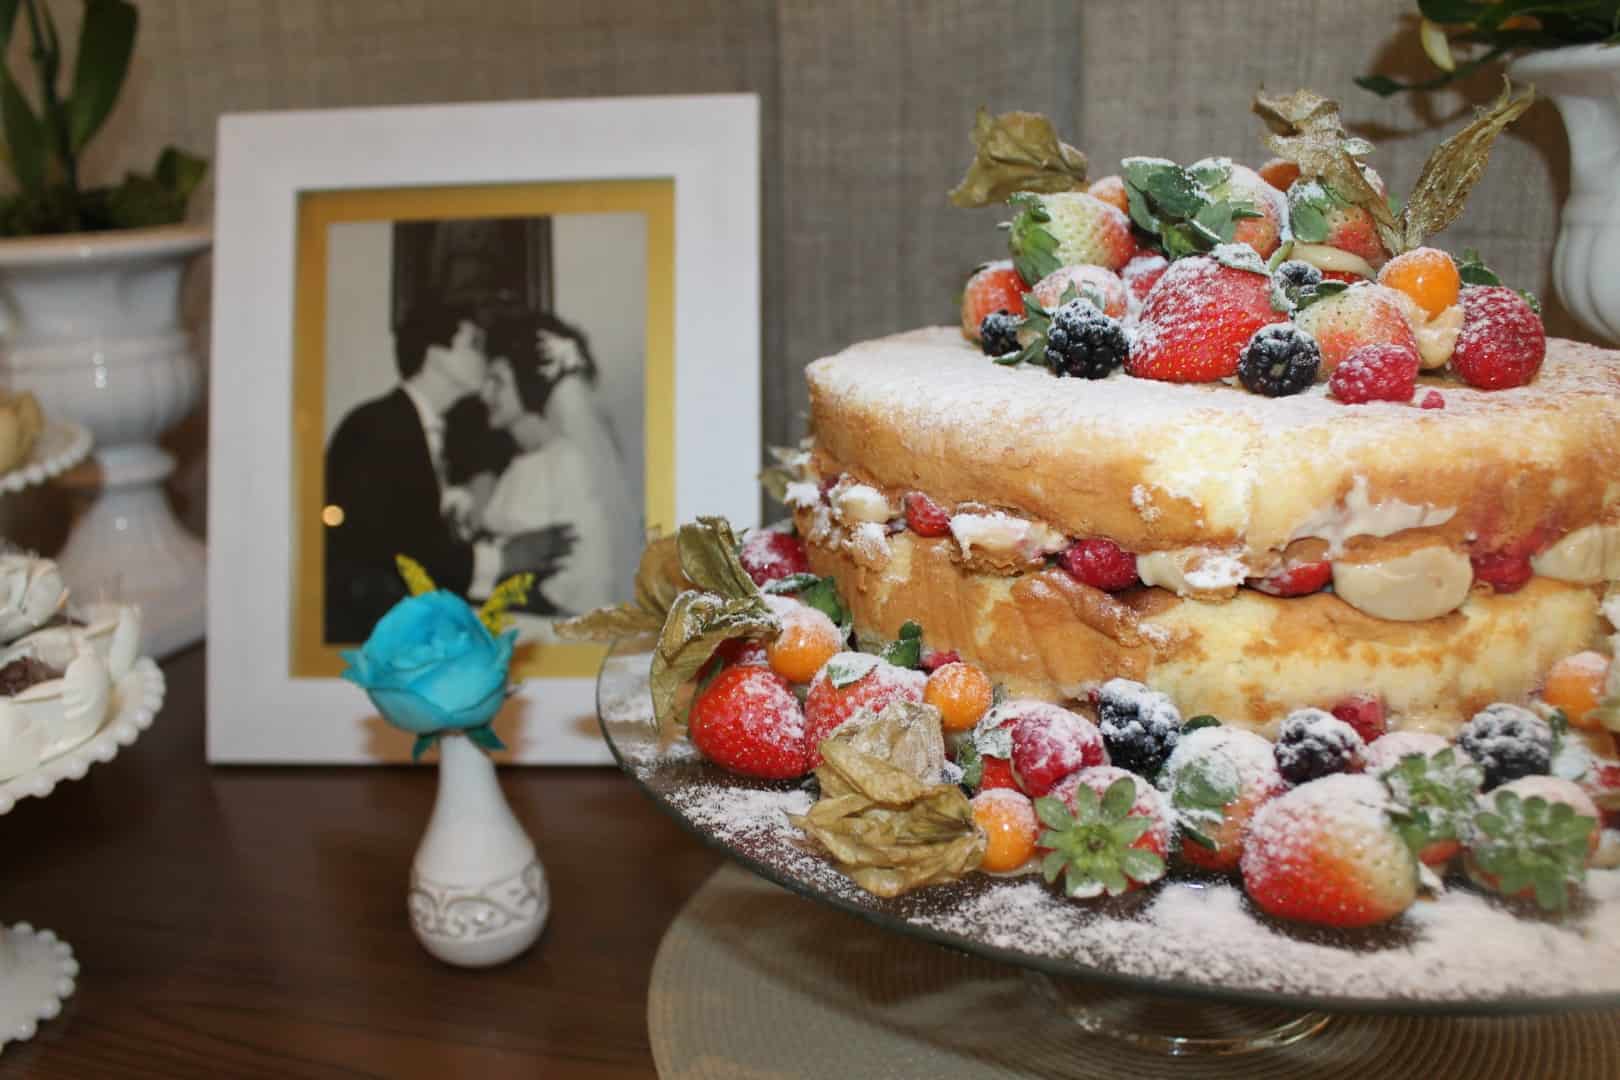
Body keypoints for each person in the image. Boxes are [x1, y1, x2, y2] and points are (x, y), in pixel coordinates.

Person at [322, 301, 574, 642]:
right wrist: (503, 559)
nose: (484, 358)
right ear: (436, 355)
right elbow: (397, 554)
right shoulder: (374, 428)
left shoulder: (430, 429)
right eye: (473, 344)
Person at [476, 311, 631, 617]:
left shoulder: (570, 463)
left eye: (497, 380)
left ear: (528, 383)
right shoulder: (520, 464)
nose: (484, 393)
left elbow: (586, 578)